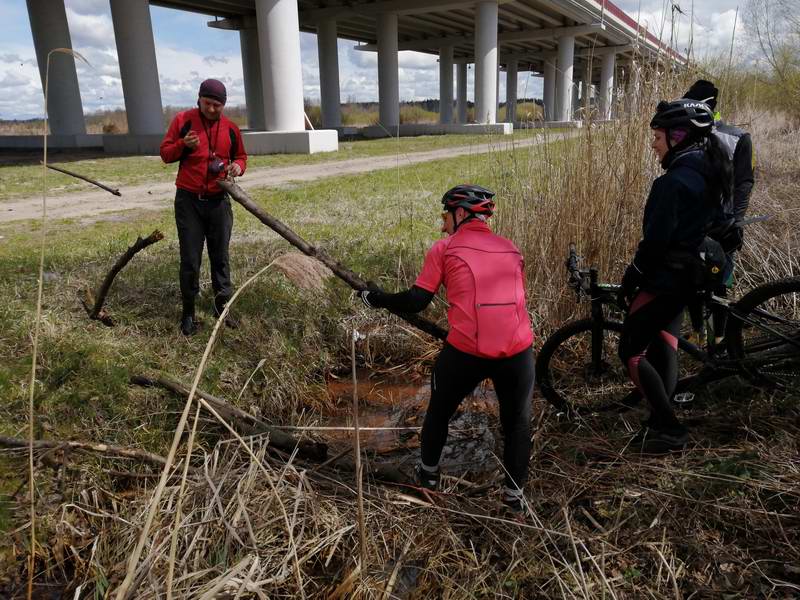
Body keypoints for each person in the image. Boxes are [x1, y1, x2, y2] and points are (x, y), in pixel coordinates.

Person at [359, 185, 536, 514]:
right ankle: (514, 499)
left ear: (460, 214)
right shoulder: (511, 248)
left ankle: (427, 480)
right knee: (517, 424)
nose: (442, 224)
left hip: (467, 351)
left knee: (439, 413)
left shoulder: (445, 248)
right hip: (518, 352)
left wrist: (378, 298)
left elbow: (416, 301)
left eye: (444, 216)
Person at [618, 99, 730, 453]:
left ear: (678, 136)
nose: (653, 144)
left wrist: (633, 274)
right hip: (693, 273)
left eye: (657, 137)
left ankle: (669, 430)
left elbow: (655, 242)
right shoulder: (708, 171)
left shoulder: (672, 183)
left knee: (631, 349)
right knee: (664, 339)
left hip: (668, 276)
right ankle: (658, 416)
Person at [160, 79, 247, 335]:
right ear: (199, 99)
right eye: (207, 103)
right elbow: (165, 154)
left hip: (219, 202)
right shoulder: (183, 121)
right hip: (189, 201)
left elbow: (241, 156)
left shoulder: (231, 128)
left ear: (223, 105)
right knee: (190, 259)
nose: (211, 109)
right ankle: (188, 314)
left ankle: (222, 309)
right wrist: (182, 146)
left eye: (217, 105)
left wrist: (237, 167)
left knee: (220, 258)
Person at [683, 79, 755, 345]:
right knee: (690, 277)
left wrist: (736, 219)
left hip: (723, 226)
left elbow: (745, 181)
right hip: (693, 223)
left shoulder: (738, 138)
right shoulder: (686, 135)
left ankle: (718, 337)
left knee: (720, 283)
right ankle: (699, 331)